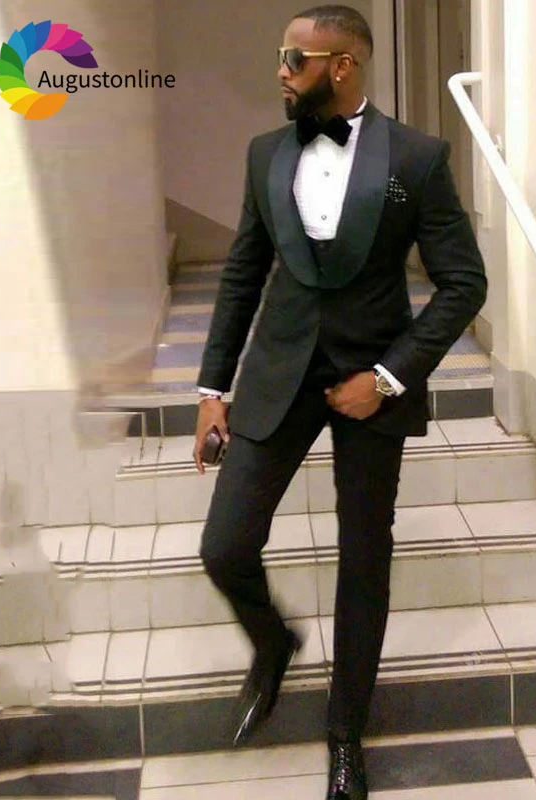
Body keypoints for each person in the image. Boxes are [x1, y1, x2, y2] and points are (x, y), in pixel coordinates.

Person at [193, 5, 486, 798]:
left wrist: (388, 377)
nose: (280, 71)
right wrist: (212, 389)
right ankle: (273, 643)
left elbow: (464, 282)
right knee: (225, 545)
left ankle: (345, 735)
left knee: (364, 561)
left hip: (369, 385)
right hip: (277, 374)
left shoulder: (417, 157)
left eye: (294, 59)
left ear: (343, 66)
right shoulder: (265, 154)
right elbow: (243, 273)